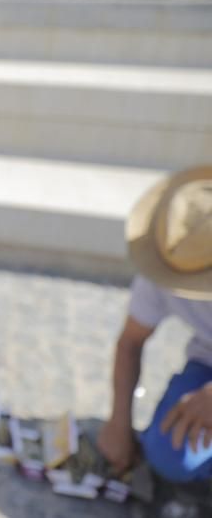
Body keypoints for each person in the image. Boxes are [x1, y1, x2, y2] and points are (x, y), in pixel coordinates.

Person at [98, 165, 212, 484]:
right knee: (169, 453)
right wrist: (119, 422)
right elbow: (131, 342)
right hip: (206, 364)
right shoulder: (167, 260)